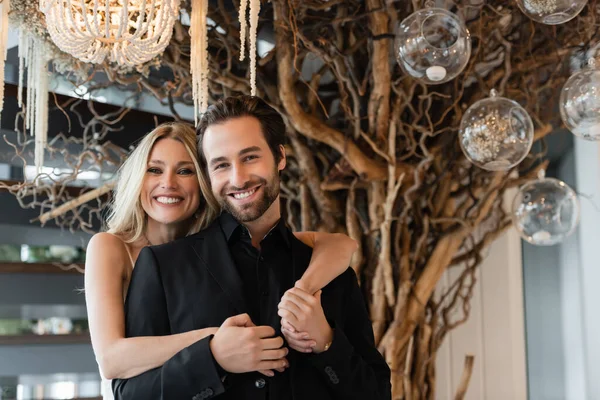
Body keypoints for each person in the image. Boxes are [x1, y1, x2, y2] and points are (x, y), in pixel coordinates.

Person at [112, 98, 391, 400]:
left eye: (249, 157)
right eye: (221, 165)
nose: (238, 178)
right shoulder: (161, 265)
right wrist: (212, 359)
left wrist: (326, 343)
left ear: (280, 156)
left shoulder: (331, 271)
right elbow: (129, 394)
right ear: (208, 174)